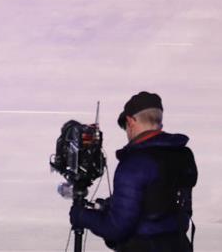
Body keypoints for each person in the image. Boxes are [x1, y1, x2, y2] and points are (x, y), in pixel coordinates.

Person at [70, 92, 197, 252]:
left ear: (131, 121)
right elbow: (161, 202)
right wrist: (111, 206)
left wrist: (81, 216)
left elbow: (117, 229)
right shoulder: (183, 155)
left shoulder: (134, 164)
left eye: (125, 126)